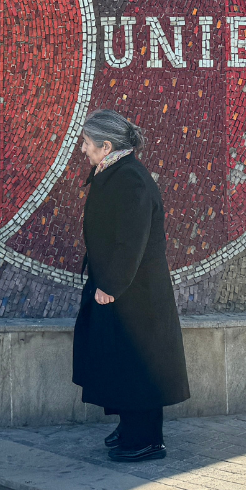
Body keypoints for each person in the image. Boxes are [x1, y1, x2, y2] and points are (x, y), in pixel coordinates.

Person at [72, 109, 190, 462]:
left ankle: (146, 440)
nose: (83, 149)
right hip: (124, 291)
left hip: (133, 295)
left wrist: (110, 284)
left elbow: (130, 240)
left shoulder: (130, 179)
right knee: (121, 363)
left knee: (138, 366)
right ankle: (129, 428)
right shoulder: (115, 172)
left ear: (106, 146)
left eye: (87, 143)